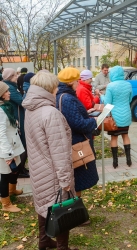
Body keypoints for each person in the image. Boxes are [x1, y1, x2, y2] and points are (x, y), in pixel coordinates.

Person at [22, 71, 78, 250]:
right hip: (53, 172)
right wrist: (65, 181)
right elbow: (60, 151)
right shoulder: (51, 113)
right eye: (55, 85)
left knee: (43, 206)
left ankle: (44, 242)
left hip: (38, 169)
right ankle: (63, 247)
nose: (57, 88)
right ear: (50, 88)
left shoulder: (30, 109)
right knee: (61, 211)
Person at [56, 67, 99, 199]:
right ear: (70, 82)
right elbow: (77, 124)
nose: (79, 83)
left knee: (77, 177)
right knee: (78, 178)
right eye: (77, 81)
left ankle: (76, 206)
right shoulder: (68, 98)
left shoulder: (63, 95)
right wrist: (94, 121)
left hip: (73, 141)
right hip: (76, 143)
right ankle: (76, 209)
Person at [101, 66, 133, 168]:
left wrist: (101, 96)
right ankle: (129, 160)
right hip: (126, 115)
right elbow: (129, 99)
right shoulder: (128, 85)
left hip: (115, 117)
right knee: (125, 135)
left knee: (114, 138)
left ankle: (115, 162)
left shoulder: (110, 86)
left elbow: (107, 102)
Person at [0, 81, 24, 212]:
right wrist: (8, 155)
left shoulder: (5, 107)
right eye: (6, 91)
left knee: (16, 169)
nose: (9, 93)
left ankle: (12, 190)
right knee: (5, 175)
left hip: (12, 145)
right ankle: (6, 203)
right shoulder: (1, 111)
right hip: (5, 149)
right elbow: (1, 134)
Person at [2, 68, 29, 178]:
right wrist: (27, 92)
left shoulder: (11, 86)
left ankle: (20, 168)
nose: (17, 77)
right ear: (9, 77)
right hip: (16, 117)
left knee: (22, 143)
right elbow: (22, 101)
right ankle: (19, 169)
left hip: (17, 116)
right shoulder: (9, 87)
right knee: (21, 143)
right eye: (14, 75)